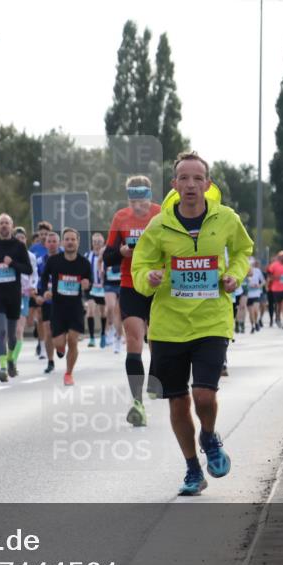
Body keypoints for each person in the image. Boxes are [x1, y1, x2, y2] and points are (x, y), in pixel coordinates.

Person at [132, 151, 253, 496]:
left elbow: (243, 251)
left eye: (197, 178)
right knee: (177, 401)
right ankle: (192, 469)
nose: (190, 185)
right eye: (183, 178)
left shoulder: (225, 218)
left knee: (204, 394)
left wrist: (235, 275)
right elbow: (140, 265)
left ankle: (209, 436)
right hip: (169, 325)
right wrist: (148, 278)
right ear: (174, 184)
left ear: (207, 183)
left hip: (212, 320)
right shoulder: (159, 225)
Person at [104, 175, 162, 426]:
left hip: (159, 285)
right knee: (134, 341)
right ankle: (137, 402)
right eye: (133, 198)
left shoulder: (162, 214)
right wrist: (121, 251)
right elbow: (107, 257)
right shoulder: (120, 218)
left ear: (149, 196)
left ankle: (156, 376)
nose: (137, 203)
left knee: (158, 339)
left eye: (141, 197)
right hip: (130, 285)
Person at [0, 213, 33, 382]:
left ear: (11, 226)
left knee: (12, 335)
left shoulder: (19, 247)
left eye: (6, 223)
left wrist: (13, 264)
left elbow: (28, 269)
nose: (4, 226)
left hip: (14, 295)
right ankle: (2, 368)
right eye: (1, 223)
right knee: (1, 331)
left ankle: (10, 359)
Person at [40, 228, 92, 386]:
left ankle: (69, 373)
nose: (70, 242)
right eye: (67, 239)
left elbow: (89, 282)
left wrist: (86, 284)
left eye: (73, 239)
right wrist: (45, 291)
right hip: (58, 308)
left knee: (73, 341)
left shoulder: (84, 263)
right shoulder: (54, 261)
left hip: (75, 308)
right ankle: (60, 349)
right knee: (59, 343)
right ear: (62, 242)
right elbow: (44, 278)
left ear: (78, 242)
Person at [34, 230, 61, 373]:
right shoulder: (40, 261)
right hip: (47, 301)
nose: (51, 244)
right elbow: (36, 280)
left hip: (63, 301)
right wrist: (38, 295)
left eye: (54, 241)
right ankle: (50, 361)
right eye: (49, 242)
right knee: (48, 331)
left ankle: (61, 346)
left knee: (61, 332)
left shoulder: (65, 259)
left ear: (59, 243)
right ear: (45, 244)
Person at [14, 226, 39, 363]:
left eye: (22, 238)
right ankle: (9, 353)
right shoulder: (7, 256)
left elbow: (34, 274)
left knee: (19, 329)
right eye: (17, 238)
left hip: (24, 295)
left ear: (26, 240)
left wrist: (33, 286)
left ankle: (13, 359)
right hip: (10, 295)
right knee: (10, 330)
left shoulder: (31, 256)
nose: (20, 240)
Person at [84, 232, 107, 348]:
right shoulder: (87, 255)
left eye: (99, 242)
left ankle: (103, 334)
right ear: (92, 243)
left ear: (103, 243)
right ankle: (92, 338)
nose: (97, 244)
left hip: (103, 288)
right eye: (95, 242)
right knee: (90, 311)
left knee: (103, 312)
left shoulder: (106, 256)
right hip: (91, 288)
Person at [245, 258, 265, 333]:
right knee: (251, 312)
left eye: (252, 264)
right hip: (248, 294)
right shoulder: (244, 271)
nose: (251, 265)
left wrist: (259, 286)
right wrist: (249, 285)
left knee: (256, 311)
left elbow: (263, 281)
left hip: (256, 293)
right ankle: (252, 326)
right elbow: (242, 283)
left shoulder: (257, 271)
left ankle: (256, 322)